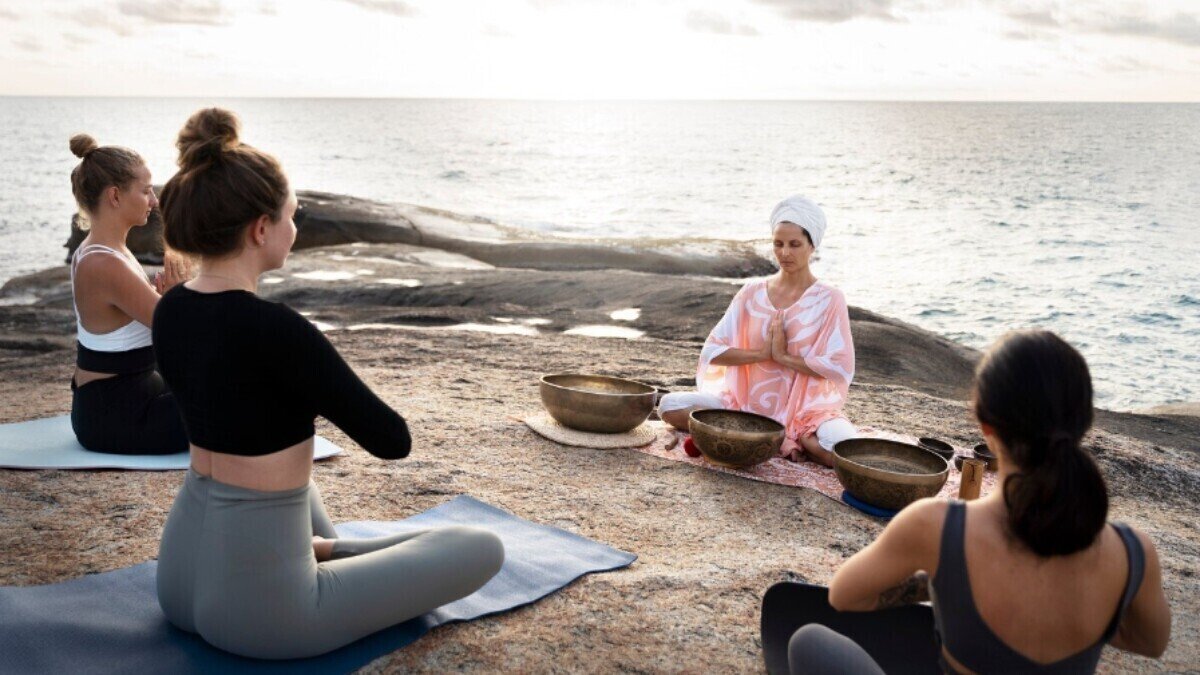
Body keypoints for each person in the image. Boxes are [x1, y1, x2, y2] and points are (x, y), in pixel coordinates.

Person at [152, 108, 504, 660]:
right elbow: (393, 440)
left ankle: (320, 547)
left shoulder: (170, 309)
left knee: (301, 482)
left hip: (178, 579)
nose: (297, 227)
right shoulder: (279, 330)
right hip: (265, 615)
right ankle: (332, 550)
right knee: (481, 546)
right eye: (294, 215)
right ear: (261, 228)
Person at [789, 330, 1172, 674]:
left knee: (809, 641)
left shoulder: (937, 526)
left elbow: (844, 596)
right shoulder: (1134, 550)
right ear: (1084, 423)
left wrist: (937, 586)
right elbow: (1150, 643)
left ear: (984, 425)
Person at [658, 196, 856, 466]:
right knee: (669, 406)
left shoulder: (829, 299)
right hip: (742, 406)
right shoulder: (751, 292)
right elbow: (713, 351)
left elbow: (840, 367)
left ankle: (794, 436)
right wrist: (762, 354)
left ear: (812, 245)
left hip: (806, 411)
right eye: (778, 244)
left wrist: (785, 358)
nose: (785, 253)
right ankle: (780, 439)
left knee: (844, 448)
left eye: (795, 244)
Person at [66, 133, 191, 455]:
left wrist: (164, 299)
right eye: (146, 190)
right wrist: (175, 297)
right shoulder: (103, 262)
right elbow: (181, 332)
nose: (155, 200)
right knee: (244, 395)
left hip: (122, 401)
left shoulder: (106, 249)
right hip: (120, 416)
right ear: (115, 196)